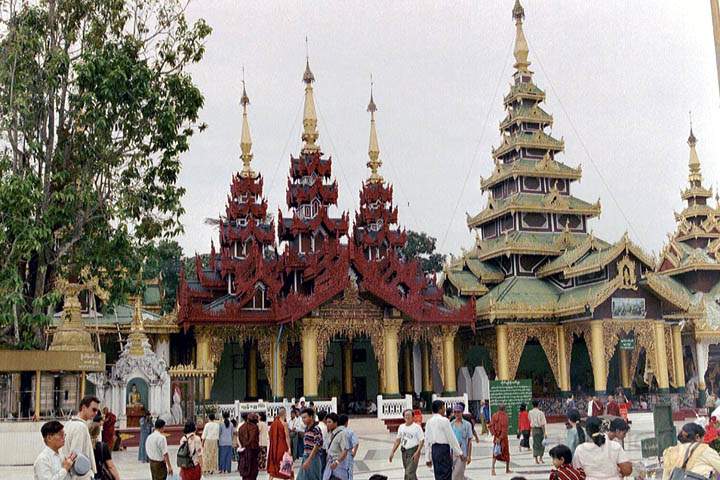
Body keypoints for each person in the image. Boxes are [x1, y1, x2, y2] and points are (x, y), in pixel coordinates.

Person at [61, 395, 99, 480]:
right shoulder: (80, 427)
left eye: (97, 411)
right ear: (84, 407)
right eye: (93, 410)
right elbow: (75, 455)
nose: (95, 413)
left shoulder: (68, 423)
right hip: (80, 476)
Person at [425, 400, 463, 480]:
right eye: (443, 407)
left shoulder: (429, 422)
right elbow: (451, 437)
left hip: (434, 450)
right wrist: (459, 452)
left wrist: (427, 457)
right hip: (443, 449)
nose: (445, 410)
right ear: (440, 409)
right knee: (446, 473)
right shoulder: (444, 420)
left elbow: (427, 440)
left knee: (438, 474)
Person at [389, 409, 424, 480]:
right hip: (404, 451)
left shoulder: (417, 427)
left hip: (413, 451)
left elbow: (421, 440)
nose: (407, 417)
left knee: (409, 473)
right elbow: (397, 441)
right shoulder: (401, 427)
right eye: (405, 415)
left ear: (413, 417)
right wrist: (392, 452)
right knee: (409, 472)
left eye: (409, 415)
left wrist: (417, 452)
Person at [297, 408, 323, 480]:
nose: (303, 420)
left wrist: (309, 460)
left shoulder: (316, 429)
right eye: (302, 418)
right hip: (306, 456)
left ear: (311, 417)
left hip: (313, 458)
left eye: (305, 417)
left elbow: (317, 445)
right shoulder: (306, 428)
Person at [267, 407, 292, 480]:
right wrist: (289, 448)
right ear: (285, 414)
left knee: (273, 470)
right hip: (283, 448)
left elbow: (270, 435)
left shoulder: (273, 424)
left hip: (275, 449)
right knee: (287, 468)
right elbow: (287, 437)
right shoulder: (284, 424)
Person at [324, 413, 350, 480]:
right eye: (326, 422)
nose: (327, 424)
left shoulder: (342, 434)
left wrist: (337, 462)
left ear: (335, 423)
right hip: (329, 464)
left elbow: (345, 451)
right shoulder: (328, 434)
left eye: (329, 422)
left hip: (339, 465)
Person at [450, 403, 472, 480]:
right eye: (455, 412)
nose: (456, 414)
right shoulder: (451, 424)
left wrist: (469, 456)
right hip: (452, 453)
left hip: (463, 453)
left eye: (458, 412)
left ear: (462, 412)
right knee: (458, 475)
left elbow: (469, 441)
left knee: (455, 476)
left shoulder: (467, 425)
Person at [489, 404, 511, 476]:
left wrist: (494, 435)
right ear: (504, 409)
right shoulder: (505, 416)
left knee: (495, 453)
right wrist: (500, 437)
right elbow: (505, 428)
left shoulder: (494, 415)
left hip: (496, 437)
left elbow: (490, 426)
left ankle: (493, 469)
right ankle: (507, 469)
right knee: (506, 453)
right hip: (503, 438)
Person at [238, 412, 261, 480]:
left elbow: (240, 438)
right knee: (252, 471)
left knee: (245, 469)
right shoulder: (255, 427)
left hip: (244, 451)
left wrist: (244, 445)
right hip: (253, 451)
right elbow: (254, 439)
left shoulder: (241, 427)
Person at [339, 414, 359, 480]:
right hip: (347, 455)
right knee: (348, 474)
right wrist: (354, 452)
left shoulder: (335, 431)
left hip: (338, 455)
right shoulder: (350, 431)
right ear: (346, 422)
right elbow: (356, 443)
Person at [529, 400, 547, 464]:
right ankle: (541, 458)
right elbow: (542, 424)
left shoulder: (530, 412)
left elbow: (530, 420)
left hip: (533, 429)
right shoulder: (540, 413)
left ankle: (536, 459)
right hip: (540, 430)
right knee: (542, 444)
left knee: (535, 444)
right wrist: (544, 432)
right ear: (538, 405)